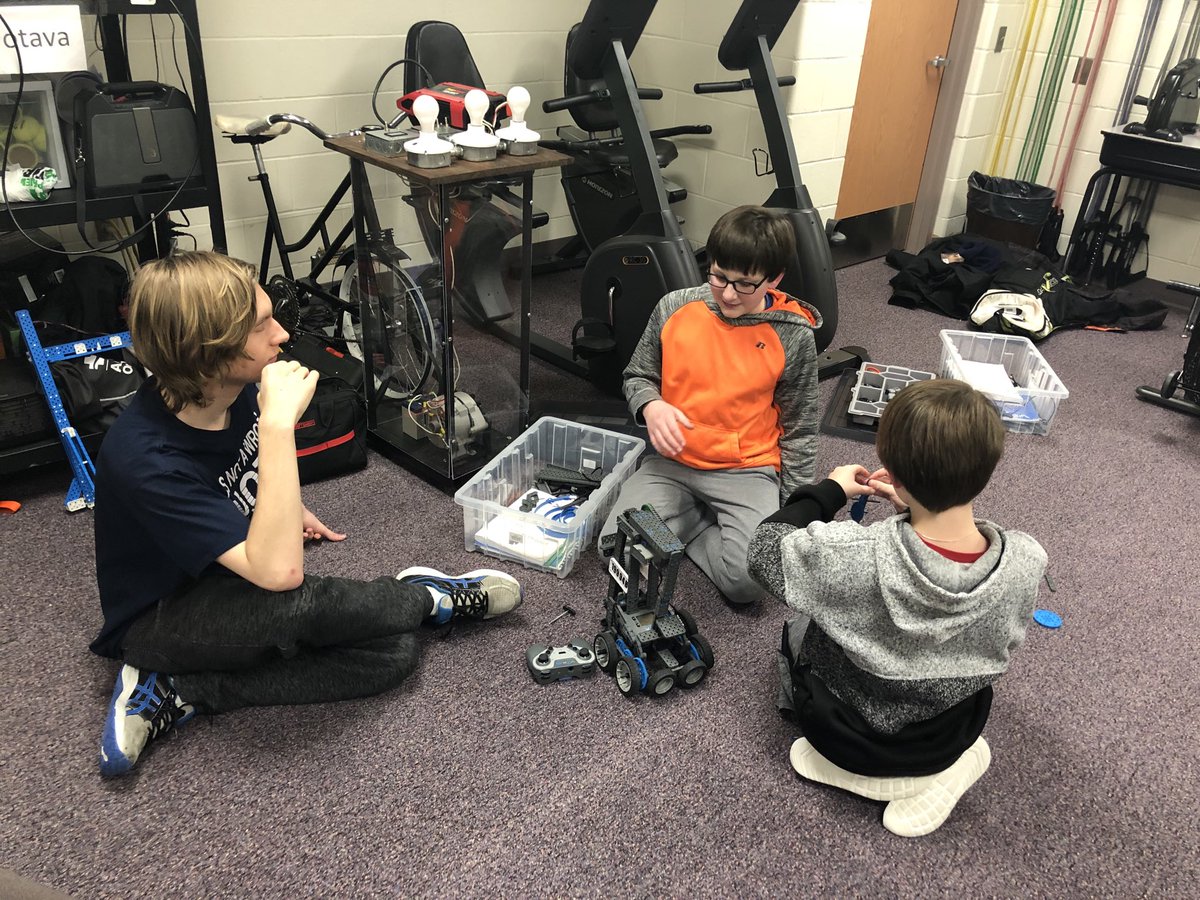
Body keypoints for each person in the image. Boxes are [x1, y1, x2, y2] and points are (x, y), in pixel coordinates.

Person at [91, 251, 523, 777]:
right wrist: (277, 425)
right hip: (163, 613)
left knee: (393, 656)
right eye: (260, 327)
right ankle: (425, 596)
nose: (280, 334)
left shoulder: (232, 388)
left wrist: (288, 507)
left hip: (229, 570)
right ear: (206, 352)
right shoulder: (144, 457)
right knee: (300, 605)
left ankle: (182, 687)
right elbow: (282, 575)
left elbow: (245, 470)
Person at [747, 378, 1048, 836]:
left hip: (842, 735)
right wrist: (909, 509)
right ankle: (938, 774)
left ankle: (861, 775)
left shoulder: (850, 555)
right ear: (986, 469)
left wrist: (828, 490)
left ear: (896, 474)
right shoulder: (1027, 560)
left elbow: (765, 549)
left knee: (798, 626)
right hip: (948, 736)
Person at [597, 205, 821, 606]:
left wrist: (791, 512)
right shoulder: (675, 307)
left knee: (748, 584)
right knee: (614, 548)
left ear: (775, 279)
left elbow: (801, 427)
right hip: (673, 462)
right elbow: (637, 377)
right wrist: (652, 407)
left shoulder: (793, 335)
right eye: (719, 276)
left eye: (745, 284)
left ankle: (691, 525)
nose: (729, 293)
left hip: (747, 471)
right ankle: (701, 519)